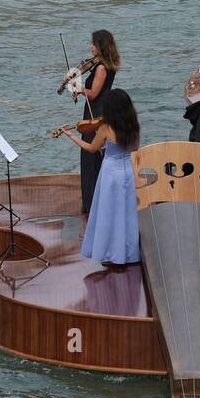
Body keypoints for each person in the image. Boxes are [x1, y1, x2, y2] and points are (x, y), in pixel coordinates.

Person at [62, 88, 140, 267]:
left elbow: (90, 148)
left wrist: (71, 135)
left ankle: (110, 253)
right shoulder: (132, 125)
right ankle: (128, 254)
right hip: (127, 171)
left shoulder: (105, 127)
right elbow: (133, 148)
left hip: (111, 173)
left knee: (108, 213)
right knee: (125, 213)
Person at [72, 30, 120, 214]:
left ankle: (92, 203)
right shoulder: (106, 64)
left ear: (101, 46)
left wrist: (77, 86)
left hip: (97, 113)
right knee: (97, 156)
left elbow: (93, 93)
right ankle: (98, 200)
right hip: (99, 110)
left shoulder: (101, 68)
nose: (90, 46)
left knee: (91, 156)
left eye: (93, 43)